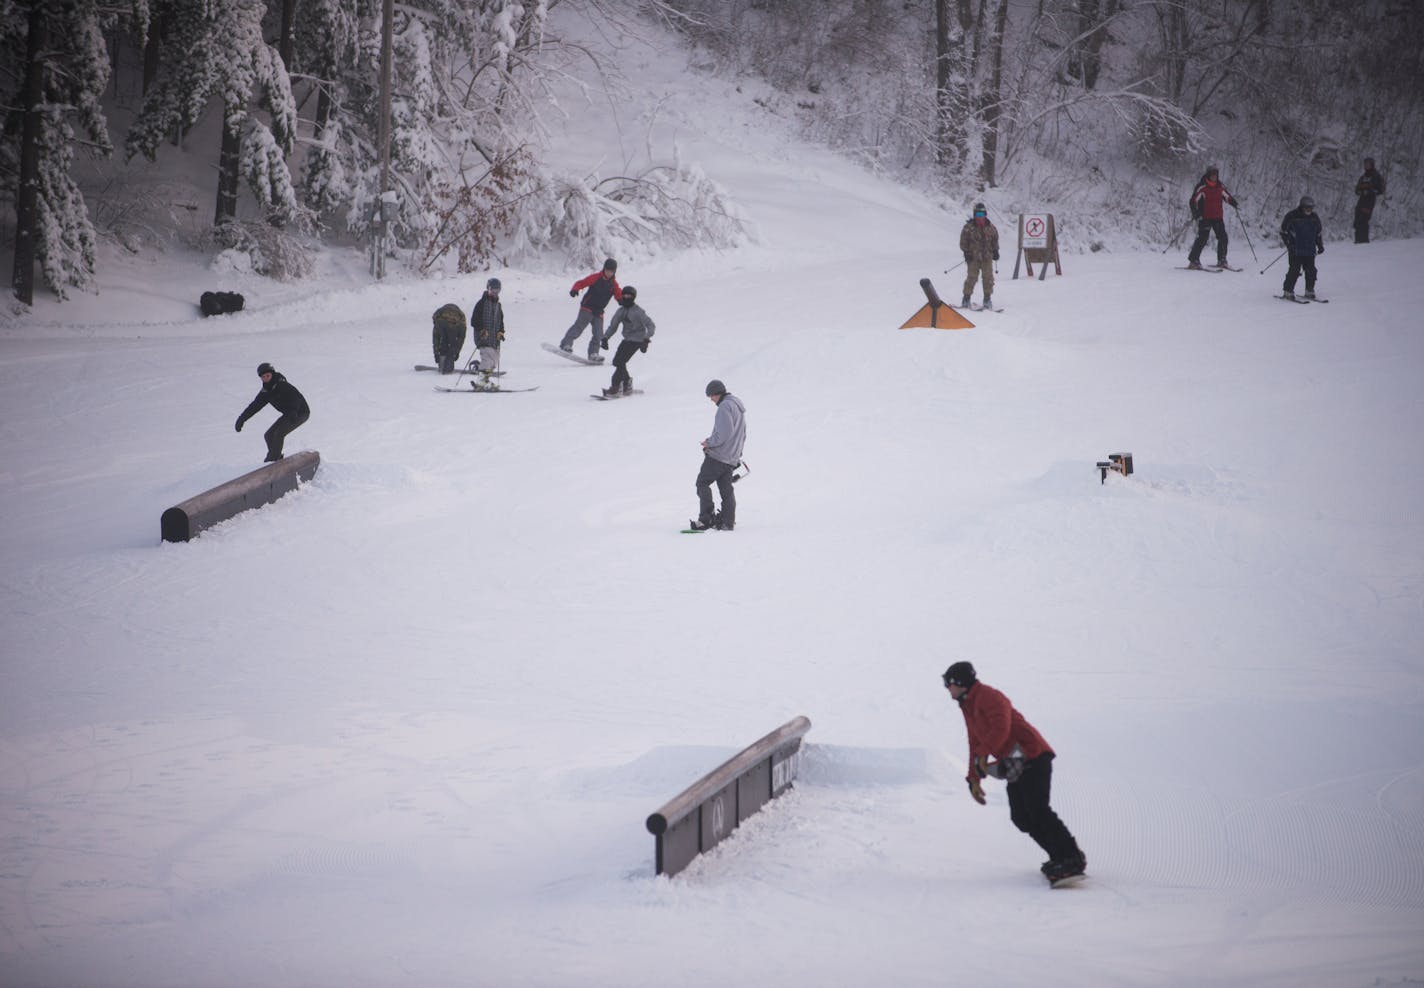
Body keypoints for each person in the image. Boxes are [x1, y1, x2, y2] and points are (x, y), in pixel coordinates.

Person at [942, 660, 1086, 883]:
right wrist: (973, 779)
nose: (946, 688)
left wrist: (984, 755)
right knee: (1021, 817)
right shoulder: (968, 706)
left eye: (947, 683)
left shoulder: (989, 696)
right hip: (1014, 763)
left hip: (1033, 756)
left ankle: (1071, 857)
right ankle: (1059, 856)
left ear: (959, 682)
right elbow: (975, 743)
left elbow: (1002, 727)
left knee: (1038, 809)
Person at [690, 380, 746, 531]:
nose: (711, 399)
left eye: (711, 396)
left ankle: (705, 519)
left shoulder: (724, 407)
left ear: (717, 393)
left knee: (702, 483)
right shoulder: (737, 407)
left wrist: (709, 442)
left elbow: (724, 433)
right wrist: (736, 455)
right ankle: (727, 522)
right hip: (731, 458)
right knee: (726, 489)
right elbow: (742, 435)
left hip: (718, 456)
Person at [235, 363, 310, 462]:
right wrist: (241, 419)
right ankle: (276, 459)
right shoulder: (265, 392)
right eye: (263, 377)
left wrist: (293, 411)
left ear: (272, 374)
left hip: (300, 412)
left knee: (279, 433)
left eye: (268, 376)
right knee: (269, 435)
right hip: (289, 414)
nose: (266, 378)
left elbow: (296, 398)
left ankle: (272, 460)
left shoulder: (281, 384)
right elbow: (254, 406)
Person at [559, 258, 622, 362]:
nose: (609, 273)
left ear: (614, 272)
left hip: (599, 311)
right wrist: (575, 289)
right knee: (579, 327)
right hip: (587, 307)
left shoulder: (613, 284)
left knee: (598, 334)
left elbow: (619, 294)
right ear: (604, 269)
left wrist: (622, 300)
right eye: (607, 270)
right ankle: (566, 344)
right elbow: (581, 283)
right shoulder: (596, 277)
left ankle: (593, 353)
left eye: (611, 271)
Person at [600, 285, 655, 397]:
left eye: (629, 295)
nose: (626, 297)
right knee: (617, 361)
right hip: (627, 339)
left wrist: (646, 338)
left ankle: (615, 387)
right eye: (624, 295)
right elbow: (613, 326)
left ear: (633, 297)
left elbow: (651, 325)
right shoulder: (620, 311)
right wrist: (605, 338)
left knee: (620, 362)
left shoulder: (638, 311)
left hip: (637, 340)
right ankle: (627, 384)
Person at [1187, 166, 1238, 269]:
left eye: (1215, 175)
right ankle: (1194, 261)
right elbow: (1193, 201)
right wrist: (1195, 212)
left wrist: (1233, 202)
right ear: (1208, 175)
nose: (1214, 177)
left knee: (1223, 237)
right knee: (1202, 238)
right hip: (1205, 217)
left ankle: (1222, 260)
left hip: (1217, 217)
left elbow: (1226, 196)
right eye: (1212, 175)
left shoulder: (1220, 186)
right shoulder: (1202, 187)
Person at [1280, 195, 1324, 300]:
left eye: (1311, 207)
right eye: (1307, 207)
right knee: (1294, 270)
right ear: (1302, 206)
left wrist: (1320, 245)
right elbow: (1283, 232)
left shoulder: (1314, 218)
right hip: (1296, 249)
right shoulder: (1292, 216)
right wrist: (1289, 244)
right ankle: (1288, 290)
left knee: (1311, 270)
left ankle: (1309, 290)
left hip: (1309, 249)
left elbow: (1318, 233)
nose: (1309, 210)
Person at [959, 202, 999, 308]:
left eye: (981, 214)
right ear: (974, 215)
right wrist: (966, 252)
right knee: (971, 278)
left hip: (987, 258)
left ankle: (987, 299)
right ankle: (966, 298)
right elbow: (963, 242)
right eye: (977, 214)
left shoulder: (991, 227)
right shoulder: (968, 228)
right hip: (973, 258)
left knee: (988, 278)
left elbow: (995, 240)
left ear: (985, 214)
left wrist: (996, 251)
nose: (979, 217)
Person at [470, 277, 505, 389]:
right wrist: (481, 329)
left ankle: (485, 380)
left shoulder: (498, 306)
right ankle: (481, 381)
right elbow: (474, 320)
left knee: (494, 359)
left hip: (494, 338)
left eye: (497, 291)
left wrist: (501, 332)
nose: (494, 293)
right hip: (483, 336)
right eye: (492, 291)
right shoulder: (481, 303)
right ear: (488, 289)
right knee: (487, 357)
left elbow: (501, 321)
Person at [1353, 157, 1386, 243]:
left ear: (1372, 165)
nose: (1366, 166)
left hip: (1369, 201)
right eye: (1365, 164)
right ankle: (1357, 240)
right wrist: (1361, 191)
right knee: (1357, 220)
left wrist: (1371, 191)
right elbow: (1356, 189)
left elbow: (1381, 189)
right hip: (1361, 200)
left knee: (1364, 220)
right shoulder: (1363, 177)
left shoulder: (1376, 176)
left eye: (1368, 164)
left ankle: (1364, 241)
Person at [431, 302, 466, 374]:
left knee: (444, 342)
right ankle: (447, 367)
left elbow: (436, 339)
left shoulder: (439, 319)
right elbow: (460, 339)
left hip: (444, 321)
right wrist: (456, 352)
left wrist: (436, 353)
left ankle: (443, 365)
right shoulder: (461, 319)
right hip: (455, 322)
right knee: (452, 345)